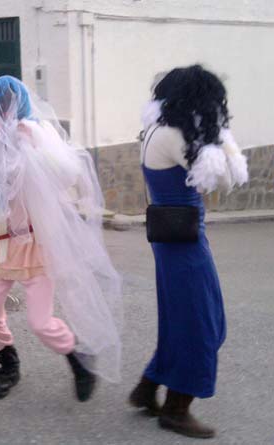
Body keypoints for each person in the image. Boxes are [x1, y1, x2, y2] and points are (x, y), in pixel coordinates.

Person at [0, 75, 122, 401]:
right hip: (0, 243)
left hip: (37, 243)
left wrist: (33, 147)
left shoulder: (37, 131)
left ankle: (77, 358)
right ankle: (8, 363)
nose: (3, 112)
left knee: (41, 322)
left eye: (8, 105)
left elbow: (68, 175)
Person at [130, 65, 248, 438]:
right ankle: (176, 411)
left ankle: (148, 388)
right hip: (185, 242)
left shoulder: (156, 129)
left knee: (181, 320)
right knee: (202, 325)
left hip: (172, 240)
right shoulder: (177, 137)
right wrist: (224, 138)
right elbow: (224, 180)